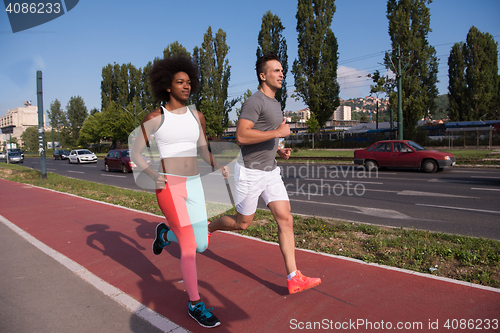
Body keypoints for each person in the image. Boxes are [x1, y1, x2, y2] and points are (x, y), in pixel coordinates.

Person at [208, 53, 321, 294]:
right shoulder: (255, 101)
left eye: (282, 70)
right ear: (263, 75)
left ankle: (293, 277)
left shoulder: (276, 103)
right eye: (276, 71)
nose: (282, 74)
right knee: (243, 223)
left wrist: (279, 149)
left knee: (285, 218)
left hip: (271, 172)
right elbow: (241, 136)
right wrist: (278, 132)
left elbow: (266, 133)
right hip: (251, 173)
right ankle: (210, 228)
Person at [131, 55, 228, 328]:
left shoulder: (198, 116)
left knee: (201, 244)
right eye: (180, 82)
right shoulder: (155, 117)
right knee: (188, 247)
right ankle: (195, 303)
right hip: (169, 186)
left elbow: (203, 149)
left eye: (188, 82)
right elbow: (136, 152)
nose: (186, 87)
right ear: (167, 86)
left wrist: (217, 164)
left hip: (194, 183)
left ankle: (164, 233)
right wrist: (151, 175)